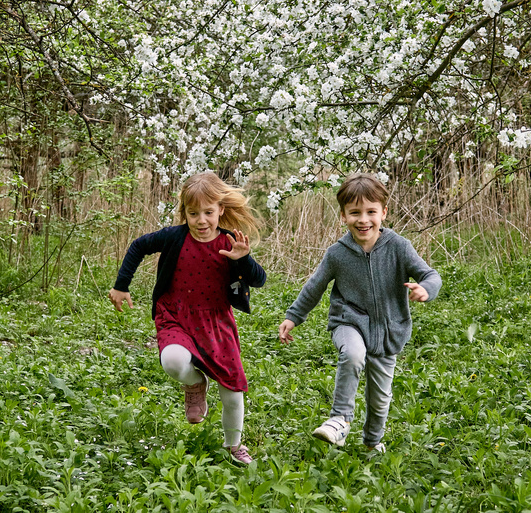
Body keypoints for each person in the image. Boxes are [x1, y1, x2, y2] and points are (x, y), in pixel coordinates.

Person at [109, 171, 265, 465]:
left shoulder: (230, 242)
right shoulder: (173, 237)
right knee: (173, 361)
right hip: (175, 316)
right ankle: (195, 384)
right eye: (193, 213)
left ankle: (234, 445)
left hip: (216, 323)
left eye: (208, 212)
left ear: (220, 210)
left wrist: (242, 258)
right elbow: (138, 246)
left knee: (232, 392)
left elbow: (258, 280)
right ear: (185, 213)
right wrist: (121, 284)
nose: (201, 220)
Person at [278, 173, 441, 452]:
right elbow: (314, 286)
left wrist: (425, 289)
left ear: (383, 213)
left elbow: (431, 274)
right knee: (352, 354)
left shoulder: (399, 247)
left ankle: (372, 443)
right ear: (343, 216)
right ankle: (339, 420)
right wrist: (293, 316)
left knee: (380, 399)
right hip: (348, 321)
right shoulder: (337, 254)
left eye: (370, 212)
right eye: (355, 213)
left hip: (389, 331)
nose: (363, 220)